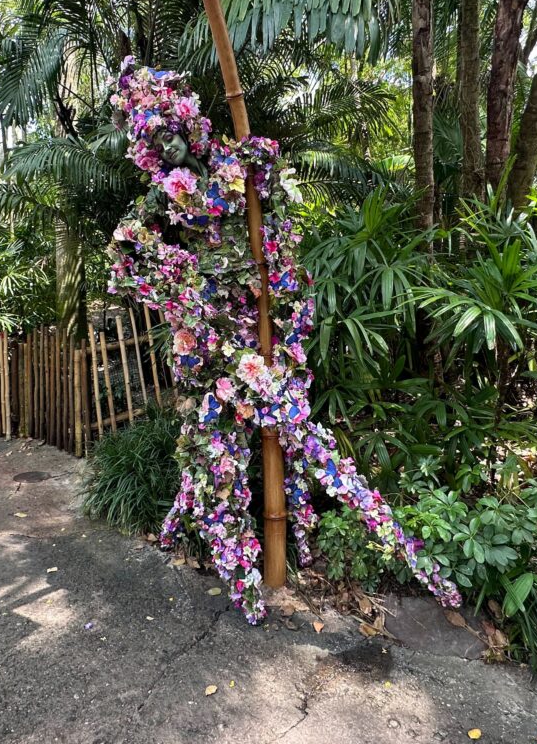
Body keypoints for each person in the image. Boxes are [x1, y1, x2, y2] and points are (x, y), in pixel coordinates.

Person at [108, 57, 460, 622]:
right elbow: (125, 261)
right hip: (215, 341)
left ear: (192, 125)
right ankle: (243, 579)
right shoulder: (160, 197)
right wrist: (183, 280)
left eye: (175, 129)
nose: (173, 146)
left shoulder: (228, 165)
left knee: (297, 445)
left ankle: (389, 557)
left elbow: (267, 212)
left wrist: (257, 166)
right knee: (218, 456)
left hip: (268, 326)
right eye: (157, 137)